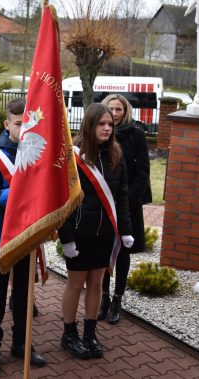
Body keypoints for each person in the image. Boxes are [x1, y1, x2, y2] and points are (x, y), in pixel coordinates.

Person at [58, 103, 133, 359]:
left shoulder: (116, 155)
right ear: (90, 125)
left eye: (110, 124)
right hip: (80, 234)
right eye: (101, 124)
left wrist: (125, 230)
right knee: (76, 284)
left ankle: (90, 334)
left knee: (97, 283)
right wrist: (66, 238)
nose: (106, 128)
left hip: (105, 234)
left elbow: (121, 196)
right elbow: (64, 201)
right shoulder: (74, 156)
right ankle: (69, 334)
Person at [0, 97, 46, 377]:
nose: (24, 128)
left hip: (28, 235)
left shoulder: (36, 152)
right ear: (8, 124)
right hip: (2, 237)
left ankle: (21, 343)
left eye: (28, 123)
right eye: (19, 124)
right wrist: (24, 187)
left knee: (23, 294)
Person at [98, 94, 152, 324]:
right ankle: (104, 298)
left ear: (125, 110)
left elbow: (143, 173)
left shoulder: (136, 134)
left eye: (118, 109)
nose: (115, 113)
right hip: (103, 202)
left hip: (127, 205)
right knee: (102, 251)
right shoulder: (100, 134)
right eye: (111, 109)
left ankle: (118, 298)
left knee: (122, 253)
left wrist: (126, 202)